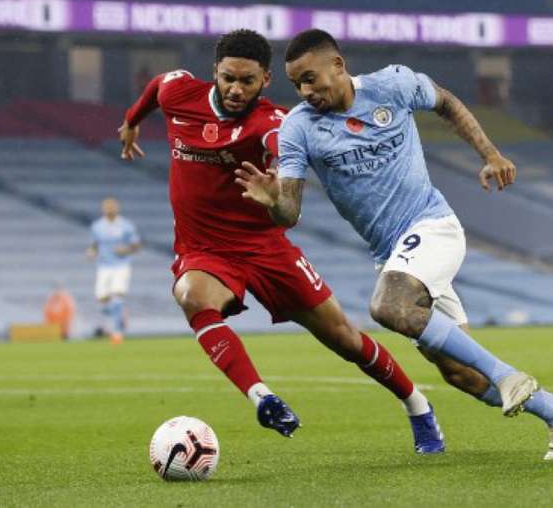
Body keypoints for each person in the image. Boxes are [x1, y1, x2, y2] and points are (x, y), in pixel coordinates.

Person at [236, 29, 553, 461]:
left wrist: (491, 154)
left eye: (311, 78)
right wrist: (273, 203)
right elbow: (290, 212)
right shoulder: (298, 129)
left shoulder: (393, 85)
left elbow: (447, 102)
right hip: (395, 255)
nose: (306, 91)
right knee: (462, 376)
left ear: (339, 66)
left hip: (432, 225)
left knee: (388, 307)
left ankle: (510, 375)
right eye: (297, 84)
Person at [117, 29, 444, 452]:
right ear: (214, 71)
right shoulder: (179, 92)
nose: (236, 90)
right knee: (192, 295)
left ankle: (417, 405)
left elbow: (284, 154)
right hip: (206, 251)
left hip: (265, 247)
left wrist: (278, 193)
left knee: (343, 336)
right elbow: (155, 87)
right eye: (229, 78)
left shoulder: (272, 123)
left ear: (265, 81)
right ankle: (263, 398)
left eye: (247, 81)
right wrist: (130, 124)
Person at [86, 197, 142, 344]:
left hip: (121, 266)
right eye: (107, 206)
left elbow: (136, 245)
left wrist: (126, 250)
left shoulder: (126, 225)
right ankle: (119, 313)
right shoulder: (97, 226)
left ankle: (117, 332)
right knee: (102, 299)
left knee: (117, 296)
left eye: (112, 206)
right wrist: (91, 251)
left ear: (117, 208)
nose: (110, 209)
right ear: (103, 209)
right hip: (104, 266)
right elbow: (94, 244)